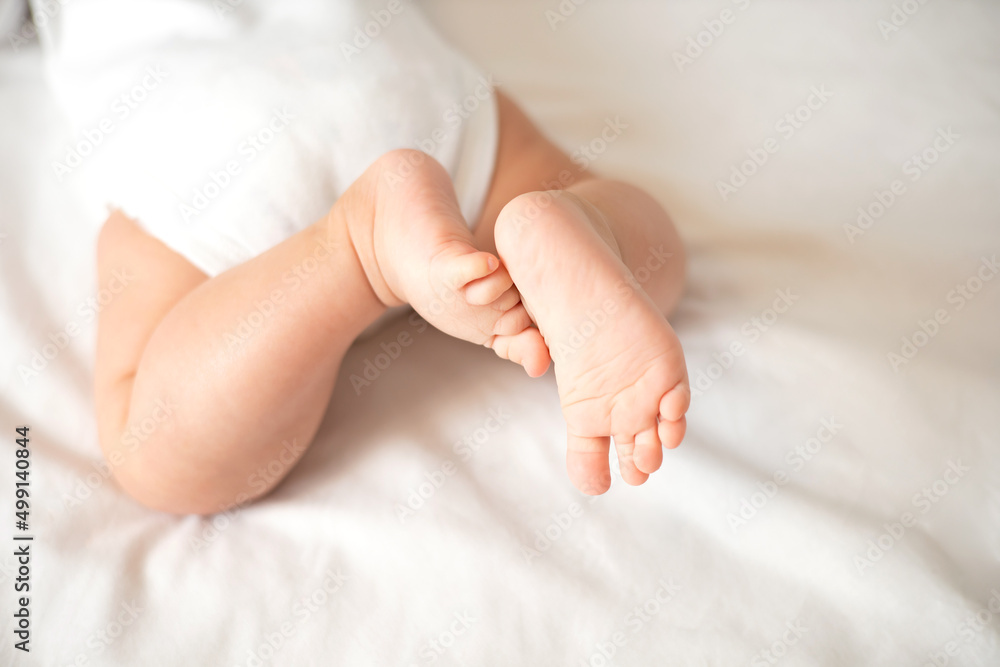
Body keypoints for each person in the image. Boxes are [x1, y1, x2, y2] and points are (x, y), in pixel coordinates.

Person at [39, 0, 690, 513]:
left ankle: (356, 248)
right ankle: (572, 220)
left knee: (151, 446)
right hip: (385, 74)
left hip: (198, 133)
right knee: (592, 204)